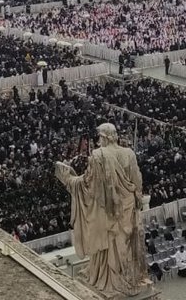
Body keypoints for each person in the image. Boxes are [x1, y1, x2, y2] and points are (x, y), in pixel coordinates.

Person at [54, 123, 150, 297]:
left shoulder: (99, 156)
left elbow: (88, 185)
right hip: (128, 209)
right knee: (125, 245)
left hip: (109, 212)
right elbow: (137, 183)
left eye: (99, 137)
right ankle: (129, 276)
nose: (98, 141)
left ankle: (111, 278)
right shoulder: (129, 153)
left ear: (104, 137)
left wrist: (68, 179)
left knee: (110, 244)